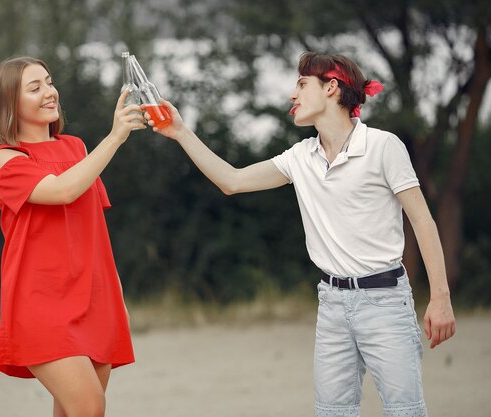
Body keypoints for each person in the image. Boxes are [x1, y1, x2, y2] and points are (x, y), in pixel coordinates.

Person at [149, 52, 456, 417]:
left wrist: (440, 298)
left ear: (331, 87)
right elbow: (231, 181)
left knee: (405, 411)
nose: (292, 95)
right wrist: (181, 132)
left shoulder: (383, 146)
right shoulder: (300, 157)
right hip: (332, 305)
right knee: (332, 412)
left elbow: (422, 220)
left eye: (301, 84)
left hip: (385, 301)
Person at [0, 56, 145, 417]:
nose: (49, 92)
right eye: (34, 87)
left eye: (49, 82)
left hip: (94, 299)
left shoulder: (76, 147)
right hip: (41, 303)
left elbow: (93, 231)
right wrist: (116, 137)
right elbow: (62, 191)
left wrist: (116, 298)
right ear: (10, 102)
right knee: (89, 406)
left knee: (74, 412)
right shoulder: (6, 160)